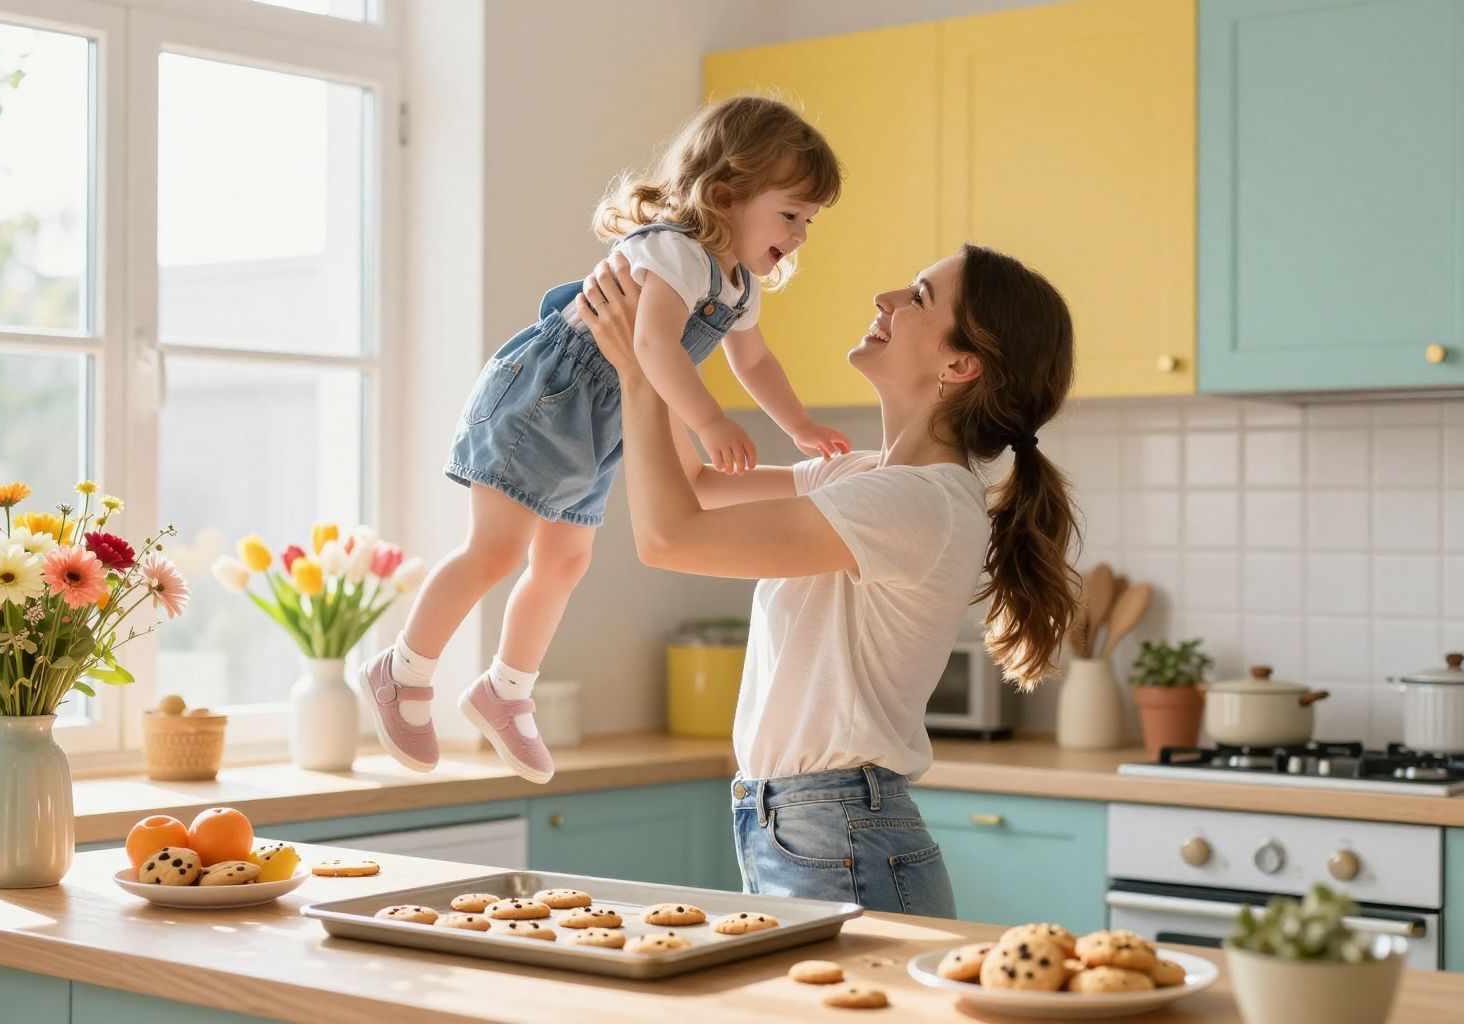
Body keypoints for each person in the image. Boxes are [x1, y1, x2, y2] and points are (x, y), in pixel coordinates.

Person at [574, 243, 1080, 916]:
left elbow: (669, 537)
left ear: (959, 365)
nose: (886, 300)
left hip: (837, 831)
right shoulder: (862, 477)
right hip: (800, 825)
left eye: (918, 298)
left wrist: (640, 375)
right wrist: (659, 341)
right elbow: (695, 484)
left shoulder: (921, 503)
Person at [357, 96, 850, 782]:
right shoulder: (672, 250)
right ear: (728, 194)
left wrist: (797, 427)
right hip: (545, 396)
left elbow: (755, 361)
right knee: (496, 551)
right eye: (790, 214)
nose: (799, 235)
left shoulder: (738, 288)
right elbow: (650, 341)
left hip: (602, 417)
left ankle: (505, 690)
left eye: (810, 222)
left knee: (563, 563)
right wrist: (707, 420)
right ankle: (401, 670)